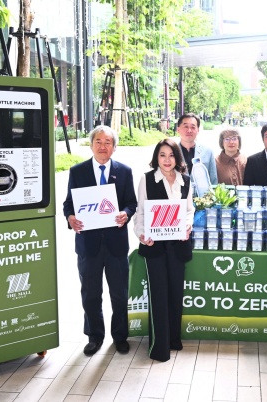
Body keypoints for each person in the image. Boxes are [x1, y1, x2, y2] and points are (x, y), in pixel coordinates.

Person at [63, 125, 137, 356]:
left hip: (116, 244)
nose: (103, 146)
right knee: (91, 294)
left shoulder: (124, 171)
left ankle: (120, 336)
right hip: (89, 244)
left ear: (114, 147)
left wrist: (126, 213)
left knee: (119, 294)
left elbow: (131, 202)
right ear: (91, 144)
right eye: (98, 141)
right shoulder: (78, 171)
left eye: (108, 142)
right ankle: (94, 336)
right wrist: (70, 218)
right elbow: (68, 204)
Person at [135, 138, 194, 362]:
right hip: (155, 247)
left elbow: (189, 210)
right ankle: (159, 347)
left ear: (177, 158)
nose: (167, 160)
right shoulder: (147, 179)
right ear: (156, 158)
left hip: (178, 245)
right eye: (162, 155)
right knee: (158, 295)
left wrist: (187, 225)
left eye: (171, 155)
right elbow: (140, 212)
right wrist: (142, 233)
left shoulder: (185, 180)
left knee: (175, 294)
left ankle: (173, 340)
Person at [176, 113, 218, 186]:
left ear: (198, 130)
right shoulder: (172, 152)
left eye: (193, 127)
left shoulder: (208, 152)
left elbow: (213, 180)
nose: (189, 130)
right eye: (186, 126)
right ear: (178, 129)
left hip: (203, 193)